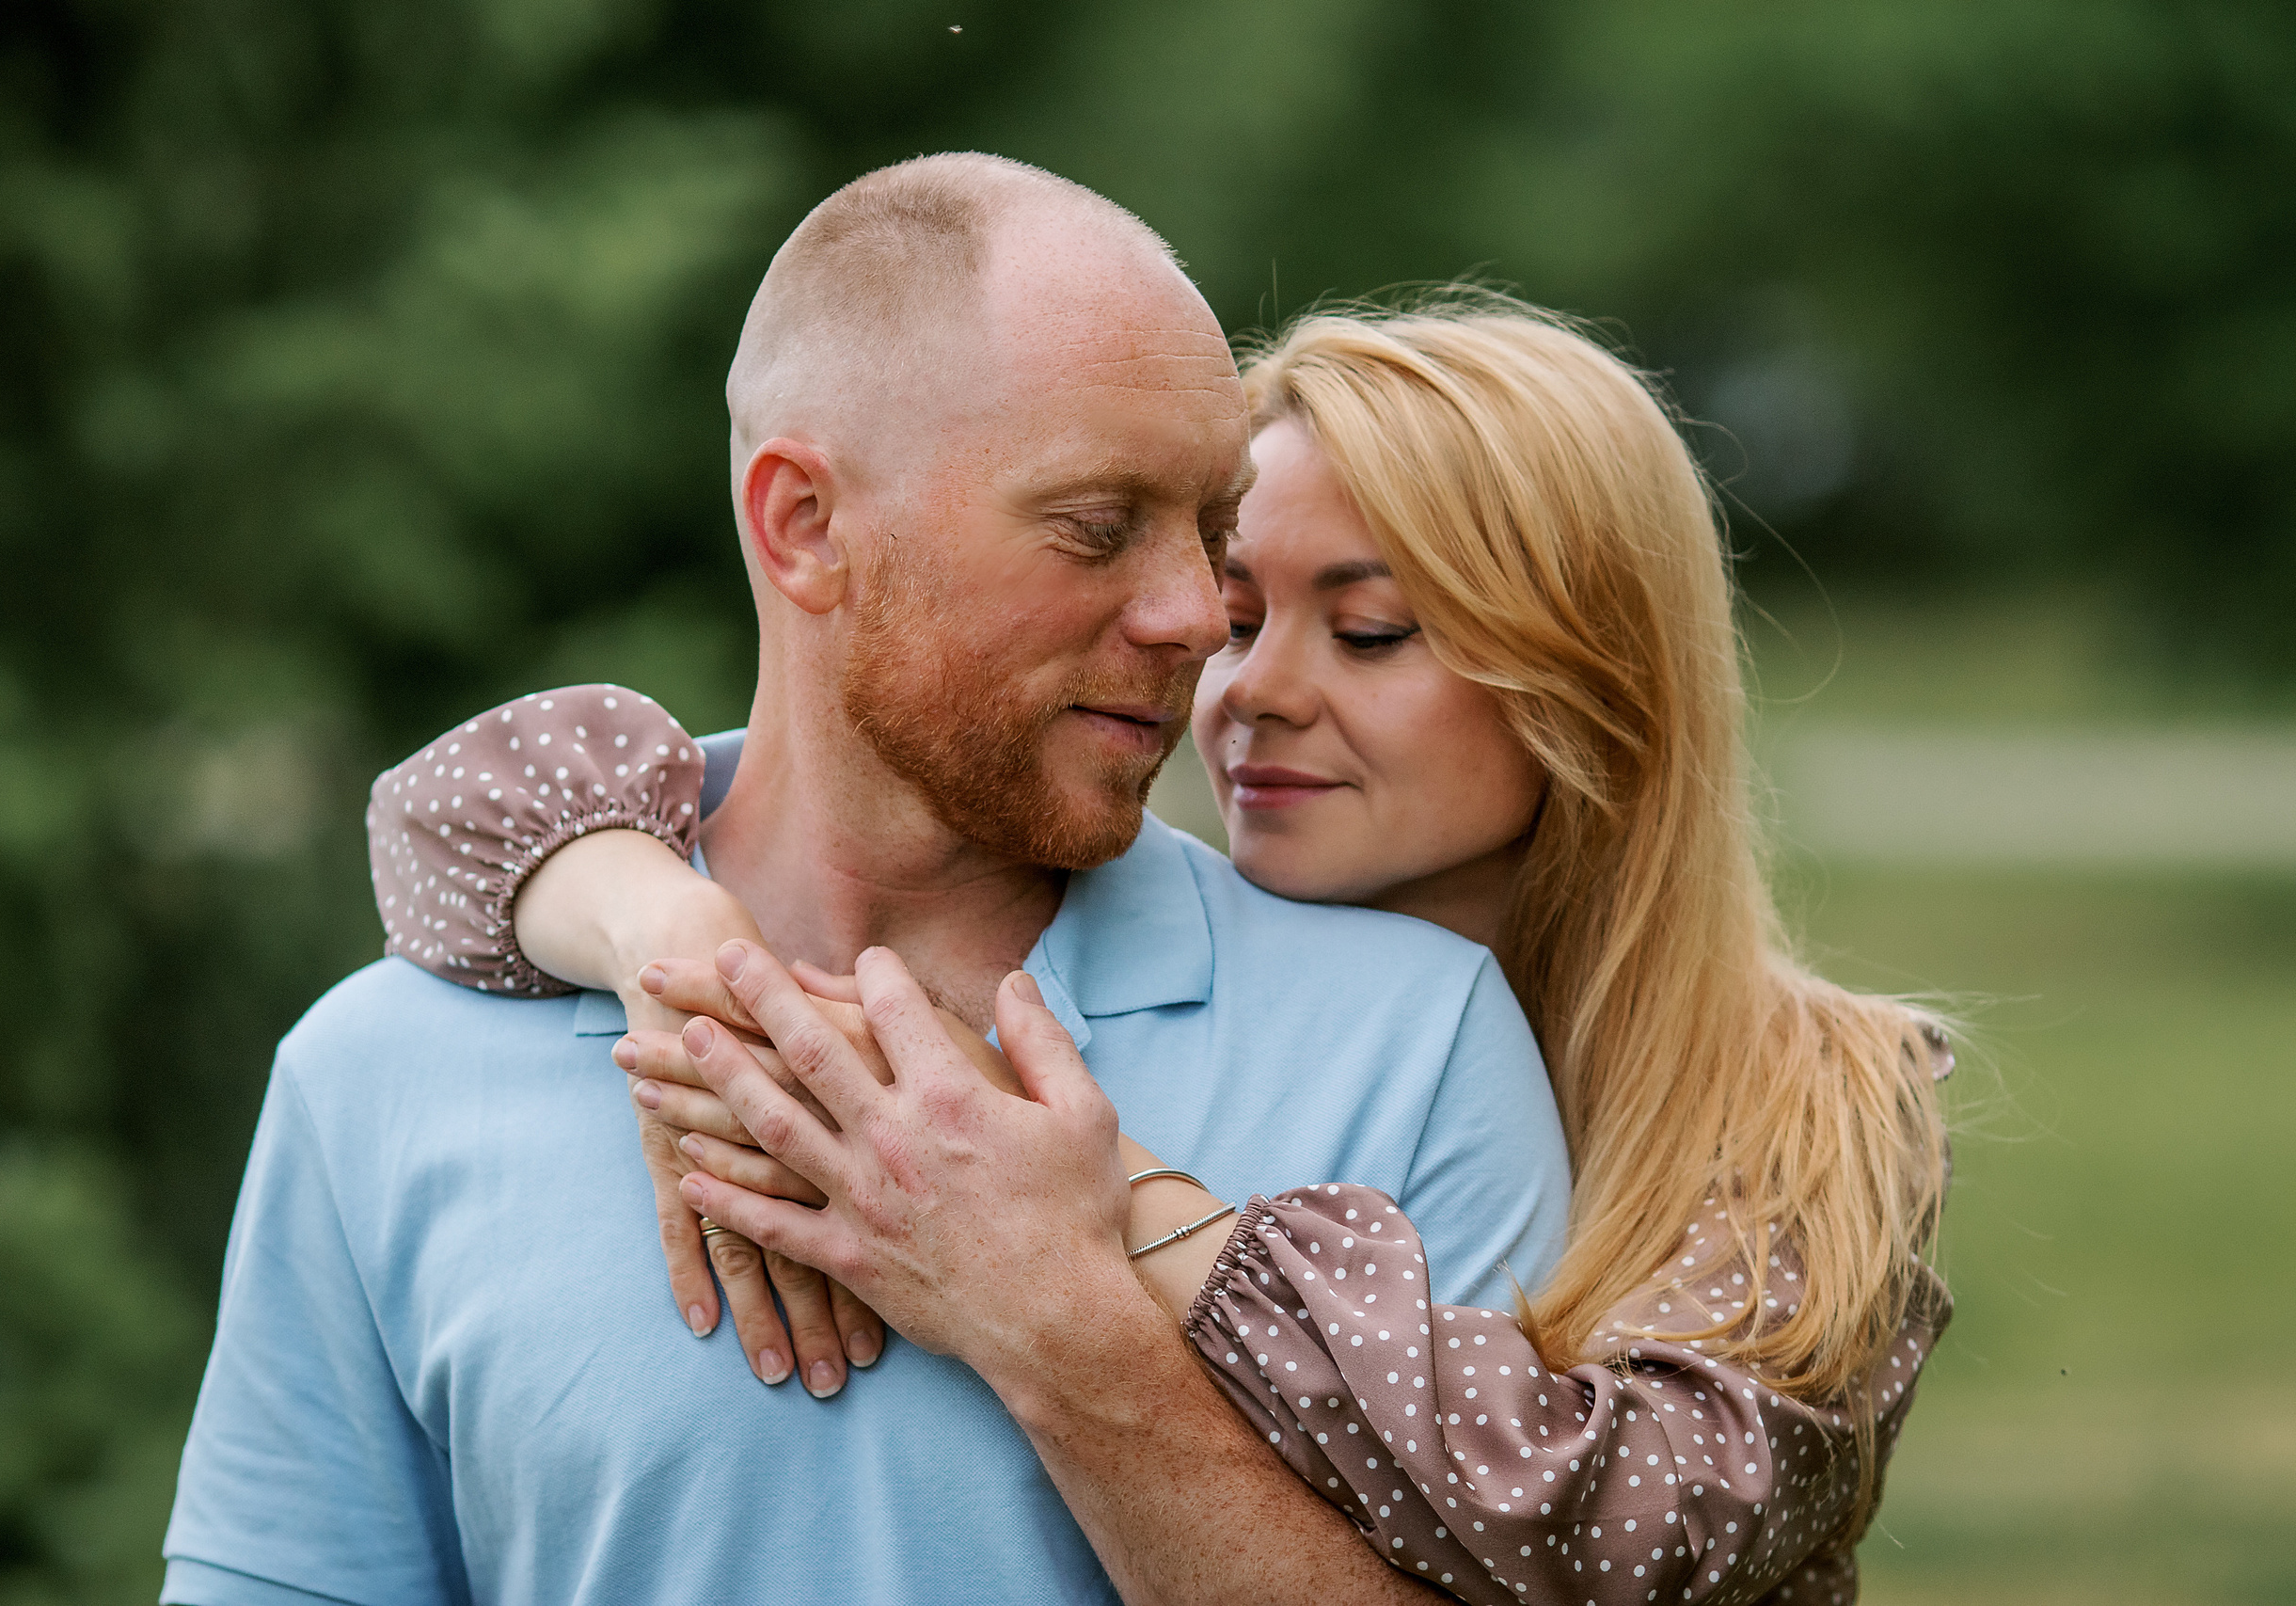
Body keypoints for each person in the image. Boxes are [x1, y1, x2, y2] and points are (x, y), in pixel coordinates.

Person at [379, 297, 1954, 1602]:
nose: (1249, 687)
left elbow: (1611, 1521)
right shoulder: (1165, 976)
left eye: (1370, 630)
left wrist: (1083, 1197)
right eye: (1238, 612)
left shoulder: (1814, 1109)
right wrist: (668, 927)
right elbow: (444, 809)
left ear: (1591, 686)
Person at [163, 156, 1571, 1606]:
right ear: (805, 525)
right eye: (1097, 527)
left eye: (1212, 533)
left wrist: (1058, 1324)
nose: (1195, 617)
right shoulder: (377, 1073)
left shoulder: (1418, 1046)